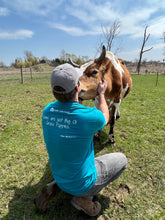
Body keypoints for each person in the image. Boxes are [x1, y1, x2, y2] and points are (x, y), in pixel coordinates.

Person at [34, 63, 127, 216]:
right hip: (82, 183)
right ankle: (84, 197)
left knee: (71, 157)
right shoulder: (87, 116)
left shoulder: (47, 111)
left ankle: (57, 185)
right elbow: (105, 117)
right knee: (122, 160)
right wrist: (102, 95)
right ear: (77, 88)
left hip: (59, 175)